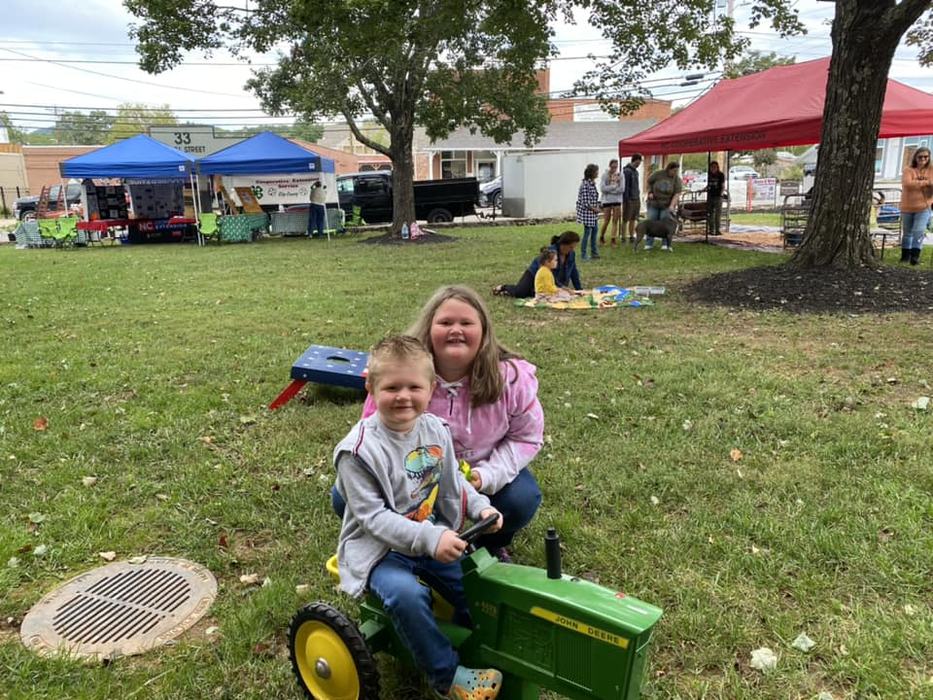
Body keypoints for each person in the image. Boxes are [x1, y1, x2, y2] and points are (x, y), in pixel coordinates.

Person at [334, 335, 504, 699]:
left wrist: (480, 507)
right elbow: (373, 519)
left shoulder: (434, 430)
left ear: (431, 388)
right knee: (407, 596)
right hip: (379, 550)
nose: (403, 396)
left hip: (427, 536)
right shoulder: (357, 451)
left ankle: (481, 644)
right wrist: (431, 538)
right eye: (392, 387)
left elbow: (452, 483)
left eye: (414, 386)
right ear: (371, 386)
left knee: (473, 581)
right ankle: (447, 678)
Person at [334, 286, 545, 562]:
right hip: (412, 475)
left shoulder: (512, 379)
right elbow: (375, 440)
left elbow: (526, 438)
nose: (455, 330)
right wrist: (405, 482)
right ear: (428, 329)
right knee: (344, 496)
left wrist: (487, 475)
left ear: (484, 332)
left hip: (482, 471)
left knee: (521, 499)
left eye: (466, 323)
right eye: (445, 322)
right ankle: (398, 545)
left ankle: (489, 543)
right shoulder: (400, 375)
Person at [493, 231, 582, 298]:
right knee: (520, 293)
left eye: (574, 247)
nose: (572, 250)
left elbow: (573, 271)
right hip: (534, 273)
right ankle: (503, 287)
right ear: (563, 244)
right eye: (571, 247)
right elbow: (549, 274)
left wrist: (579, 289)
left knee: (536, 293)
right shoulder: (551, 253)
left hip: (552, 282)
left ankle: (509, 292)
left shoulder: (571, 254)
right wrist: (562, 287)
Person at [900, 147, 933, 265]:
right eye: (920, 157)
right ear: (915, 157)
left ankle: (915, 257)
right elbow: (907, 184)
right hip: (907, 206)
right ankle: (905, 257)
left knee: (918, 231)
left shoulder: (931, 170)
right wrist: (926, 183)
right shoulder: (908, 170)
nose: (923, 159)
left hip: (924, 207)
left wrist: (920, 184)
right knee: (907, 232)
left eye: (926, 157)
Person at [645, 161, 683, 251]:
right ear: (669, 169)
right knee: (651, 221)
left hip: (666, 204)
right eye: (673, 170)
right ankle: (649, 243)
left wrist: (672, 206)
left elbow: (677, 194)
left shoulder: (676, 179)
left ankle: (665, 244)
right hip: (654, 202)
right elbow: (648, 182)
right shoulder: (658, 174)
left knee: (665, 224)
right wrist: (650, 192)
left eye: (676, 171)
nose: (674, 173)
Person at [598, 159, 625, 247]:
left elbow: (622, 189)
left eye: (616, 167)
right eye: (612, 167)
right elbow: (603, 188)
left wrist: (610, 190)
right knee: (606, 220)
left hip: (617, 200)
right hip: (607, 201)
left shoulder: (620, 175)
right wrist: (613, 187)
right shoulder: (605, 175)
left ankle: (613, 239)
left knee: (615, 220)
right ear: (610, 166)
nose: (614, 168)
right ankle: (601, 236)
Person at [577, 164, 600, 260]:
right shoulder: (585, 184)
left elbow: (594, 198)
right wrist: (595, 209)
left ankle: (594, 253)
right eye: (596, 171)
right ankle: (583, 254)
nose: (597, 173)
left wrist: (598, 206)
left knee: (594, 232)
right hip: (588, 213)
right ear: (592, 173)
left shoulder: (592, 183)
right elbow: (585, 202)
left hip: (593, 214)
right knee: (587, 233)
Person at [622, 154, 643, 243]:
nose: (639, 164)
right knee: (626, 218)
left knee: (633, 218)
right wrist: (626, 199)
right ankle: (623, 236)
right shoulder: (627, 171)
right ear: (635, 160)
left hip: (636, 197)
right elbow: (625, 186)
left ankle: (631, 236)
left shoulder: (636, 172)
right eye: (639, 161)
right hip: (629, 198)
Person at [702, 161, 726, 236]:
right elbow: (709, 185)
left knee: (717, 214)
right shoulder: (709, 175)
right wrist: (703, 189)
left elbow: (722, 185)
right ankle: (711, 229)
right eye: (712, 167)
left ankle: (717, 230)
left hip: (718, 196)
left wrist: (721, 194)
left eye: (714, 167)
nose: (713, 169)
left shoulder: (721, 175)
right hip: (710, 196)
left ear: (717, 167)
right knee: (710, 214)